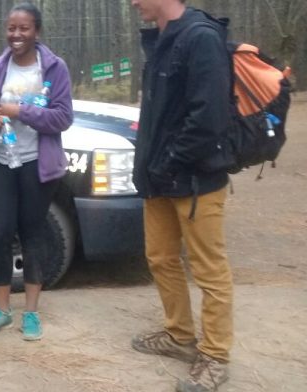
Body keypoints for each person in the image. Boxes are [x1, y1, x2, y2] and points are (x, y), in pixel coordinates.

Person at [129, 1, 233, 391]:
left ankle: (216, 356)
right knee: (160, 259)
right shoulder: (161, 39)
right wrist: (151, 171)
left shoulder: (201, 38)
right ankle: (179, 336)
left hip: (196, 182)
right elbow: (158, 115)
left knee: (209, 271)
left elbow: (208, 118)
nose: (133, 2)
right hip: (160, 180)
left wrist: (170, 162)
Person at [0, 2, 73, 341]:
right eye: (11, 28)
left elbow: (63, 117)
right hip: (2, 162)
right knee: (0, 233)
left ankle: (30, 313)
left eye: (24, 28)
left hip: (37, 165)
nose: (16, 35)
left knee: (33, 235)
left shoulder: (54, 69)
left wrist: (21, 110)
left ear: (36, 31)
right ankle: (2, 310)